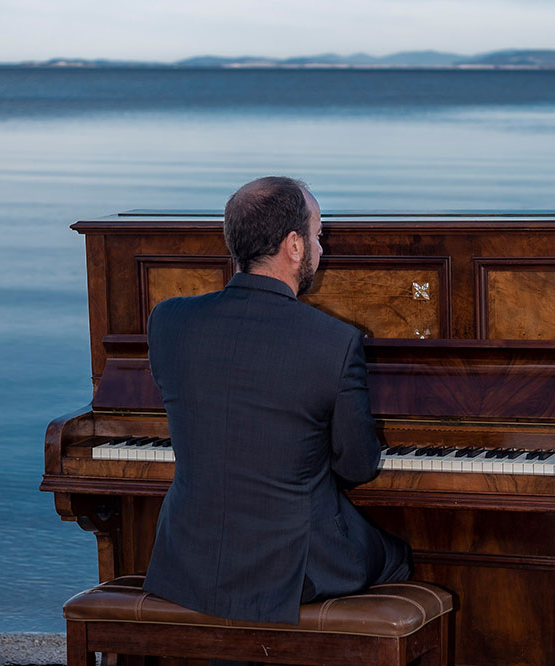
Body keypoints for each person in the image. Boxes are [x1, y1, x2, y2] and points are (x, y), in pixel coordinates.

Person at [142, 177, 412, 637]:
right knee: (399, 557)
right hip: (296, 567)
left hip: (189, 558)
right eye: (318, 236)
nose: (321, 249)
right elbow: (358, 466)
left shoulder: (168, 321)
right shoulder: (334, 342)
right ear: (294, 245)